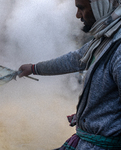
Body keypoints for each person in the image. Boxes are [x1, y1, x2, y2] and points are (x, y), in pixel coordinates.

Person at [18, 0, 121, 149]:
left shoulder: (118, 48)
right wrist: (34, 68)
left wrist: (97, 121)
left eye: (81, 8)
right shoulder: (105, 38)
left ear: (101, 6)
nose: (77, 15)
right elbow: (75, 59)